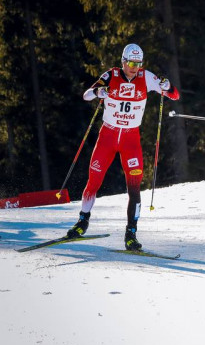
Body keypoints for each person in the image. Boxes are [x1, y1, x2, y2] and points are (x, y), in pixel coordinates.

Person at [66, 43, 180, 250]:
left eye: (138, 63)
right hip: (107, 136)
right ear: (123, 61)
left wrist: (167, 86)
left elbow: (174, 95)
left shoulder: (147, 77)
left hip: (130, 139)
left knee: (134, 188)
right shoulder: (111, 75)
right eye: (130, 62)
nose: (134, 67)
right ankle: (82, 222)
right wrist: (99, 91)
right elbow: (86, 95)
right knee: (94, 180)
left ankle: (131, 234)